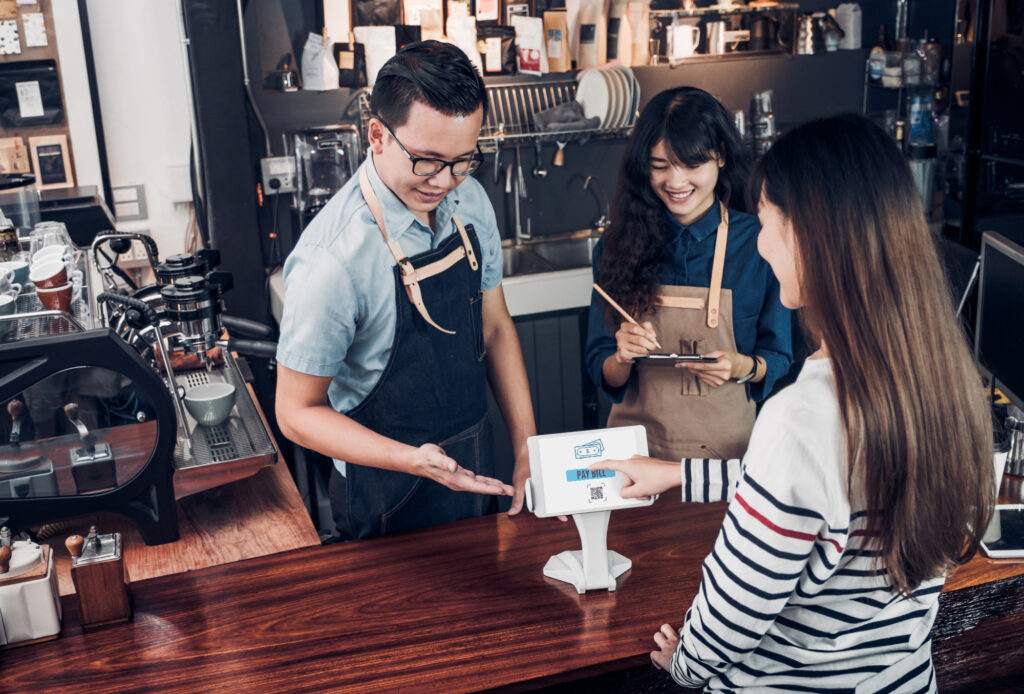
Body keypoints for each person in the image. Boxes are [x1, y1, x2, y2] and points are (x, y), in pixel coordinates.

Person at [593, 113, 994, 691]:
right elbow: (824, 496)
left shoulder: (801, 417)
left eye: (770, 221)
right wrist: (680, 475)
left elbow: (732, 618)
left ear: (810, 237)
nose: (759, 239)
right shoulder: (942, 378)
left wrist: (686, 663)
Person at [275, 41, 536, 540]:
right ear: (377, 135)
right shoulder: (332, 259)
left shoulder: (470, 202)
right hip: (384, 496)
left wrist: (527, 445)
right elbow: (295, 412)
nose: (444, 181)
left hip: (474, 469)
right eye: (427, 161)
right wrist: (413, 461)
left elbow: (496, 327)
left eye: (462, 161)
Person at [585, 87, 792, 465]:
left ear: (722, 157)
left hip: (725, 462)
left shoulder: (759, 243)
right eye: (660, 165)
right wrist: (622, 356)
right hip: (634, 460)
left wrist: (740, 366)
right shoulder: (617, 245)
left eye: (692, 165)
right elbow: (602, 369)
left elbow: (778, 357)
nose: (676, 182)